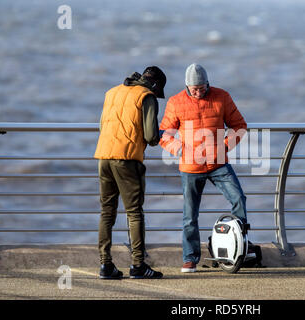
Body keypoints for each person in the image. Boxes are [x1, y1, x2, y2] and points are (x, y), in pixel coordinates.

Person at [159, 63, 248, 273]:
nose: (198, 92)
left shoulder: (221, 97)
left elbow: (239, 126)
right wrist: (181, 151)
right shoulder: (175, 102)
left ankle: (239, 246)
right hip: (190, 167)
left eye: (201, 87)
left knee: (239, 198)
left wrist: (224, 147)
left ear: (208, 83)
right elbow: (164, 135)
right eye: (193, 88)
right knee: (190, 215)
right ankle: (190, 258)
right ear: (186, 86)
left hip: (218, 163)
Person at [94, 66, 166, 279]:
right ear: (155, 85)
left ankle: (105, 265)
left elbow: (102, 127)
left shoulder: (112, 92)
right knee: (134, 213)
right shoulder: (147, 96)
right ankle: (138, 265)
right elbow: (152, 136)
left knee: (107, 212)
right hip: (126, 160)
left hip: (104, 157)